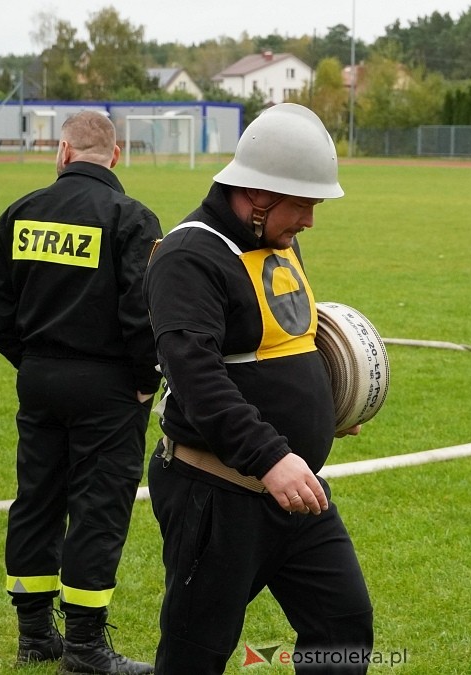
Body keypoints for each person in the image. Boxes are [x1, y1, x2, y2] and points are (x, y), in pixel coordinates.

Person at [143, 103, 374, 673]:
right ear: (257, 193)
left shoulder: (277, 240)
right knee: (196, 651)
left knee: (342, 626)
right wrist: (271, 456)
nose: (310, 221)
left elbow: (288, 342)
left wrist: (331, 400)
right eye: (302, 204)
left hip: (296, 489)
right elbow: (196, 377)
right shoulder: (187, 256)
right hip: (217, 491)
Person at [0, 110, 160, 675]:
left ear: (61, 152)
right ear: (116, 155)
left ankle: (35, 634)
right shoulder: (131, 218)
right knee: (98, 508)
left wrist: (32, 360)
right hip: (107, 386)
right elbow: (141, 314)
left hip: (39, 379)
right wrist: (142, 381)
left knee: (37, 499)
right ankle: (84, 647)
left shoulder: (21, 213)